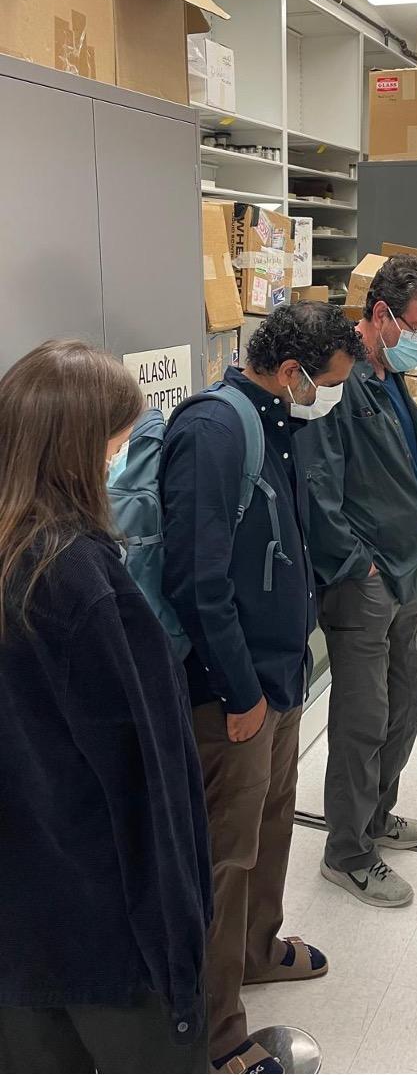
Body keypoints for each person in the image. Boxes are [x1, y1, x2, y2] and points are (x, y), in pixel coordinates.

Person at [160, 302, 366, 1074]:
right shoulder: (214, 431)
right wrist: (239, 692)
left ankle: (256, 950)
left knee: (272, 827)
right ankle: (215, 1033)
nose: (330, 397)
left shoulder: (278, 423)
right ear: (290, 372)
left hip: (281, 677)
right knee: (226, 854)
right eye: (328, 384)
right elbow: (196, 579)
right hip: (232, 696)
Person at [0, 340, 211, 1075]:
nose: (120, 462)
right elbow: (147, 782)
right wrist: (182, 948)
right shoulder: (80, 582)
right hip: (107, 927)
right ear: (77, 450)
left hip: (20, 925)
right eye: (117, 445)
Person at [298, 253, 417, 908]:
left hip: (404, 567)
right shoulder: (338, 377)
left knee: (409, 697)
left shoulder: (392, 376)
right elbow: (317, 483)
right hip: (364, 578)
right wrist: (356, 563)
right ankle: (347, 852)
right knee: (363, 718)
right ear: (382, 313)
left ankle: (374, 814)